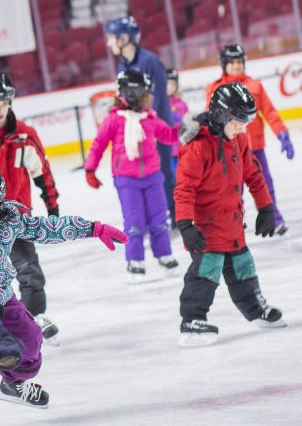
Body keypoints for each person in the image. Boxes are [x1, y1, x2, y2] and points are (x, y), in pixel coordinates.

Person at [0, 162, 127, 426]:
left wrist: (93, 228)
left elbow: (47, 228)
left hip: (3, 296)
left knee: (31, 342)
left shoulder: (7, 219)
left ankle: (13, 384)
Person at [174, 83, 286, 347]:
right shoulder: (198, 147)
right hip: (205, 229)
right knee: (206, 272)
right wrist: (185, 225)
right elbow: (184, 189)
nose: (242, 128)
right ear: (222, 115)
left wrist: (266, 208)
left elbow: (255, 176)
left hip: (233, 223)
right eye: (238, 122)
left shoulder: (240, 141)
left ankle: (255, 310)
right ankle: (192, 320)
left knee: (243, 267)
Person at [0, 73, 61, 341]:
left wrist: (52, 207)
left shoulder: (26, 136)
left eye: (4, 102)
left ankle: (33, 317)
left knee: (29, 270)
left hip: (15, 217)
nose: (0, 109)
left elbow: (43, 172)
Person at [83, 70, 180, 283]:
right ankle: (135, 260)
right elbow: (98, 144)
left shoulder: (150, 118)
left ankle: (164, 255)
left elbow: (170, 135)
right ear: (133, 94)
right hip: (127, 180)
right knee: (134, 222)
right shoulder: (114, 119)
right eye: (146, 93)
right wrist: (90, 169)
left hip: (153, 177)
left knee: (159, 219)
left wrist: (186, 128)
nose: (150, 98)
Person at [204, 44, 293, 236]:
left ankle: (274, 218)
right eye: (232, 63)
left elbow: (270, 112)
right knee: (231, 189)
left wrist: (282, 134)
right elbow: (210, 120)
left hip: (255, 148)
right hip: (228, 150)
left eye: (239, 62)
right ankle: (233, 222)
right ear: (224, 65)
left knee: (264, 184)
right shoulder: (216, 89)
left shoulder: (255, 86)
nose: (236, 66)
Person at [103, 15, 176, 214]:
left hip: (155, 128)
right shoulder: (122, 65)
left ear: (124, 38)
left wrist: (151, 126)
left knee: (164, 173)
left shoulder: (150, 62)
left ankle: (176, 214)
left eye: (111, 37)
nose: (109, 43)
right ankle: (153, 214)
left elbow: (159, 100)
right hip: (136, 130)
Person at [166, 68, 189, 172]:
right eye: (167, 84)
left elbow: (186, 124)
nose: (170, 87)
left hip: (181, 150)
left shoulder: (181, 104)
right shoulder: (157, 104)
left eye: (173, 84)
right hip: (166, 151)